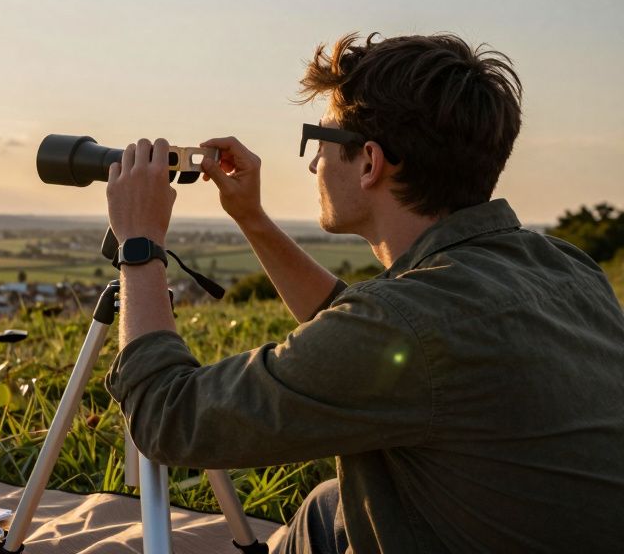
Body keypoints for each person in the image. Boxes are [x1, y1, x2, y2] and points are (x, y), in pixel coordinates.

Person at [101, 33, 624, 553]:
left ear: (370, 162)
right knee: (329, 504)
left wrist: (141, 242)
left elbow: (168, 417)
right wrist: (251, 218)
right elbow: (367, 338)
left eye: (320, 140)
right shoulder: (563, 266)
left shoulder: (408, 326)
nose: (313, 165)